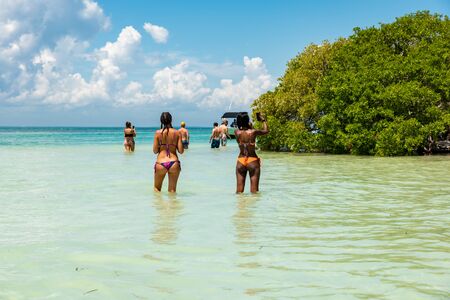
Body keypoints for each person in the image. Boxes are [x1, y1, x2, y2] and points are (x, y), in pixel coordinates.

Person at [235, 112, 269, 193]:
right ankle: (253, 206)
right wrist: (263, 120)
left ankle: (240, 204)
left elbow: (243, 129)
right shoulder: (253, 132)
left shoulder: (236, 132)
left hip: (241, 161)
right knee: (254, 192)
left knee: (239, 192)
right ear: (247, 120)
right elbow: (266, 130)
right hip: (252, 160)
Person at [153, 112, 184, 192]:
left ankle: (158, 205)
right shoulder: (177, 133)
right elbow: (181, 151)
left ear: (161, 121)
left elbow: (155, 151)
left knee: (157, 189)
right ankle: (172, 205)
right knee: (172, 190)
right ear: (171, 120)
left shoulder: (157, 133)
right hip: (174, 163)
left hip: (161, 163)